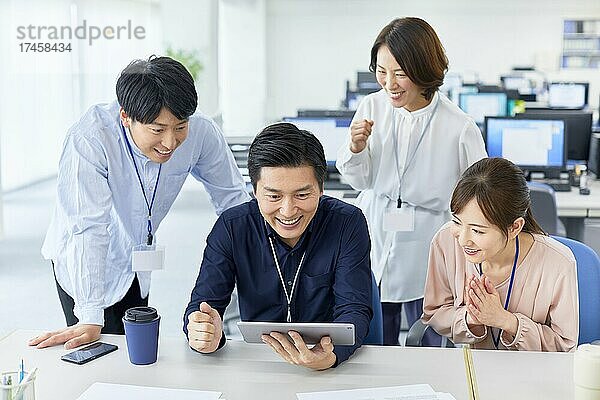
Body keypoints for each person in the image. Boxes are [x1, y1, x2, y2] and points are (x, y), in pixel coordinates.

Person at [29, 56, 250, 350]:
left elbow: (233, 201)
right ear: (126, 116)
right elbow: (88, 228)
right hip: (82, 264)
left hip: (137, 259)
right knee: (96, 352)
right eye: (158, 130)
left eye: (180, 127)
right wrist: (90, 314)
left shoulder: (201, 132)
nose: (170, 142)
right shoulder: (90, 139)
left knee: (137, 353)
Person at [336, 17, 487, 345]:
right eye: (381, 71)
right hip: (378, 227)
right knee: (375, 334)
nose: (389, 84)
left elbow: (480, 198)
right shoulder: (371, 105)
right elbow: (359, 180)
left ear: (424, 70)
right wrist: (355, 148)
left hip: (428, 236)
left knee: (429, 330)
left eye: (400, 73)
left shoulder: (459, 126)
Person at [184, 122, 373, 370]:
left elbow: (354, 308)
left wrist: (332, 355)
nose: (288, 210)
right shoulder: (232, 227)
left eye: (302, 195)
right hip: (260, 363)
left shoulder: (347, 222)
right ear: (254, 190)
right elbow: (203, 305)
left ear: (321, 188)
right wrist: (204, 333)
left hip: (329, 361)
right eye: (273, 196)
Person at [423, 157, 579, 351]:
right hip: (471, 368)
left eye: (478, 231)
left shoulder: (558, 263)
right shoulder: (445, 241)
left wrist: (506, 321)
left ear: (515, 227)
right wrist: (470, 318)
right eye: (457, 222)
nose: (463, 240)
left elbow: (564, 345)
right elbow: (435, 311)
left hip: (533, 372)